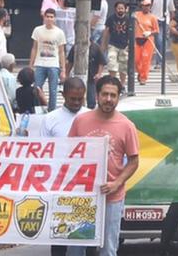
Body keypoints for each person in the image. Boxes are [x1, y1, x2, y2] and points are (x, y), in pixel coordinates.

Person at [68, 75, 139, 256]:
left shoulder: (127, 126)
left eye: (113, 95)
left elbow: (134, 161)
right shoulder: (80, 121)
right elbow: (67, 153)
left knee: (108, 249)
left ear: (118, 97)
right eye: (105, 94)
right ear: (97, 95)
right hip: (82, 196)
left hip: (112, 197)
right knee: (76, 247)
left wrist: (117, 183)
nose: (108, 99)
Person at [30, 8, 67, 108]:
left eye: (51, 17)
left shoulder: (59, 32)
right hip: (40, 63)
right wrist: (31, 65)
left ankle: (52, 110)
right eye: (47, 16)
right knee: (36, 88)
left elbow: (61, 51)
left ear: (54, 19)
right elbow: (34, 48)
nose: (49, 19)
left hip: (53, 64)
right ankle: (37, 108)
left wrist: (63, 69)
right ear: (44, 17)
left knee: (53, 90)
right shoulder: (37, 30)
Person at [40, 76, 86, 143]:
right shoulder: (49, 119)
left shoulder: (92, 117)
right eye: (73, 99)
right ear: (63, 95)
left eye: (80, 99)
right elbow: (43, 146)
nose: (76, 102)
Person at [101, 1, 130, 85]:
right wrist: (103, 44)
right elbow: (106, 32)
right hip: (113, 44)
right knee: (111, 63)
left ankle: (122, 84)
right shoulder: (111, 18)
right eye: (118, 8)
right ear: (115, 9)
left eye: (122, 8)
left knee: (123, 66)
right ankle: (113, 82)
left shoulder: (128, 20)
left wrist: (130, 45)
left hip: (124, 46)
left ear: (125, 9)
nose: (120, 10)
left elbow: (132, 33)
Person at [133, 0, 160, 85]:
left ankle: (143, 77)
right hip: (138, 39)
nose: (146, 7)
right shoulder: (137, 15)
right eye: (144, 6)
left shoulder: (153, 17)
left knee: (146, 60)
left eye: (148, 6)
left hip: (148, 40)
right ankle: (140, 73)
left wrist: (150, 32)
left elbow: (157, 31)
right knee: (136, 60)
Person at [149, 0, 174, 68]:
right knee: (159, 41)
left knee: (163, 41)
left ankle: (160, 61)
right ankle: (159, 61)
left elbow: (172, 10)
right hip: (155, 20)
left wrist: (170, 22)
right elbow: (148, 6)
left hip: (165, 20)